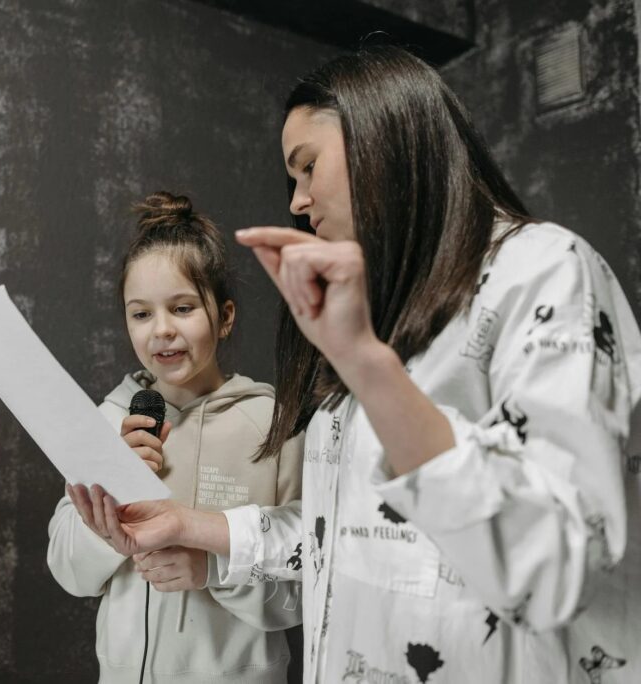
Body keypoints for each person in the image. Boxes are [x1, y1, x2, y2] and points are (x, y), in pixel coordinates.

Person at [69, 47, 641, 683]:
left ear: (384, 139)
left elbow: (556, 564)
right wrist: (192, 527)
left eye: (308, 167)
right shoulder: (372, 327)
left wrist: (367, 364)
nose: (299, 202)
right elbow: (332, 540)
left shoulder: (542, 274)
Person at [48, 191, 304, 682]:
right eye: (141, 314)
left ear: (224, 317)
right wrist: (111, 492)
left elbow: (302, 585)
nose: (160, 331)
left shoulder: (273, 425)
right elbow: (67, 569)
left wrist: (213, 569)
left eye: (182, 308)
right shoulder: (109, 419)